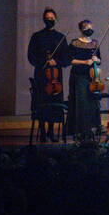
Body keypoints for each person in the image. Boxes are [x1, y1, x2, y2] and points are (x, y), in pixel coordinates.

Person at [27, 8, 68, 142]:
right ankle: (43, 131)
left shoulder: (61, 37)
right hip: (41, 75)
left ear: (55, 19)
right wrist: (44, 62)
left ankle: (51, 131)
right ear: (44, 19)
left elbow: (66, 58)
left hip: (55, 77)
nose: (50, 20)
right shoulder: (36, 36)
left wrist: (56, 61)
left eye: (52, 18)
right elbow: (31, 56)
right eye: (47, 18)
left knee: (54, 103)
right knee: (42, 102)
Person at [65, 19, 101, 138]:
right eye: (86, 28)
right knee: (81, 103)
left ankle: (91, 128)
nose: (89, 30)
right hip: (78, 76)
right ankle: (81, 130)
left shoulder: (95, 43)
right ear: (81, 29)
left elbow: (99, 60)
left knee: (92, 103)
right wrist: (85, 62)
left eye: (91, 27)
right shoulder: (74, 43)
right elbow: (69, 60)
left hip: (92, 77)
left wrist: (97, 60)